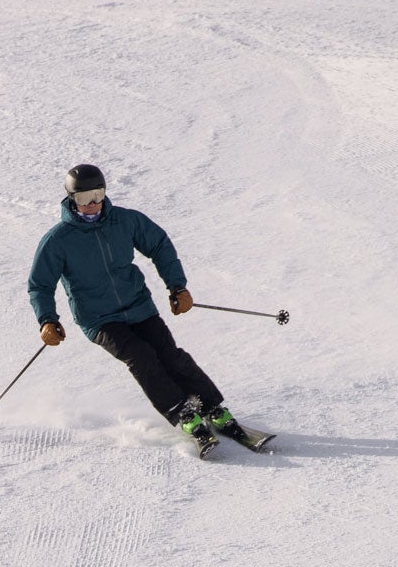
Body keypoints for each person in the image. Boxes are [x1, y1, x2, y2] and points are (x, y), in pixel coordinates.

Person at [25, 164, 265, 450]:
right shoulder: (58, 241)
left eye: (97, 195)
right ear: (70, 199)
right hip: (99, 319)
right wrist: (46, 320)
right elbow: (40, 284)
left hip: (138, 305)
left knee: (170, 356)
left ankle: (212, 407)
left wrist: (177, 286)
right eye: (83, 198)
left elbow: (159, 245)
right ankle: (183, 413)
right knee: (141, 357)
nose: (92, 204)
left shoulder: (125, 221)